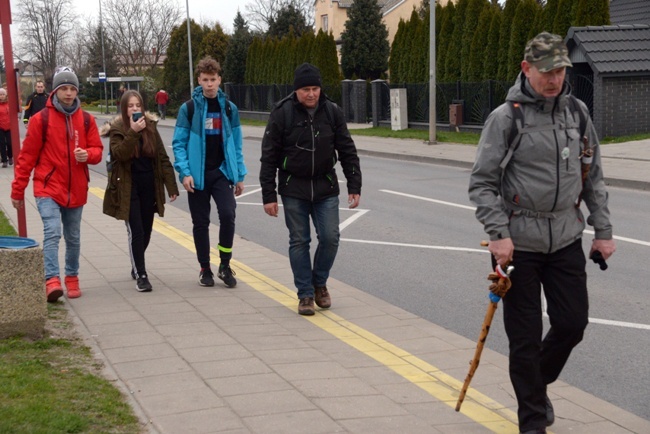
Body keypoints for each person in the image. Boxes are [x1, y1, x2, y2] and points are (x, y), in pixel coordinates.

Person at [468, 32, 616, 434]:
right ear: (526, 69)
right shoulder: (506, 118)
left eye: (560, 70)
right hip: (517, 246)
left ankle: (536, 384)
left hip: (566, 235)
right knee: (525, 337)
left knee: (572, 323)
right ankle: (532, 421)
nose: (554, 79)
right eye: (546, 71)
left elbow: (593, 175)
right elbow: (481, 182)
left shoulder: (578, 113)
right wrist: (498, 234)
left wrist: (603, 231)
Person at [259, 63, 362, 316]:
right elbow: (269, 156)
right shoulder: (282, 113)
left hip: (325, 186)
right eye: (306, 89)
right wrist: (268, 195)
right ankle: (305, 294)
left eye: (315, 88)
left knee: (330, 238)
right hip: (293, 188)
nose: (311, 94)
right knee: (299, 241)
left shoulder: (332, 112)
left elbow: (347, 150)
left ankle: (320, 283)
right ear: (296, 90)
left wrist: (354, 184)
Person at [11, 67, 104, 302]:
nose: (69, 93)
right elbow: (26, 158)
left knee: (73, 237)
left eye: (73, 88)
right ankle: (51, 280)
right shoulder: (41, 119)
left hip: (76, 189)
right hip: (48, 187)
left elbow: (98, 151)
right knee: (52, 232)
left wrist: (88, 155)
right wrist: (17, 190)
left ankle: (72, 277)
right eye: (65, 88)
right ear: (56, 90)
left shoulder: (86, 119)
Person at [172, 56, 247, 288]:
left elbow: (236, 144)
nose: (210, 84)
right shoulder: (190, 109)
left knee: (227, 214)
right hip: (197, 175)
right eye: (205, 80)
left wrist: (239, 175)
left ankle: (224, 265)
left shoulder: (228, 108)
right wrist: (184, 173)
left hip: (221, 173)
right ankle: (205, 268)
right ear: (199, 80)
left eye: (213, 79)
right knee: (200, 222)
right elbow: (179, 144)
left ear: (219, 79)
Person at [102, 90, 179, 292]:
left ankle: (137, 262)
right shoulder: (118, 129)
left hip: (148, 187)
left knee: (146, 232)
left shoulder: (151, 127)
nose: (135, 109)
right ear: (124, 108)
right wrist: (133, 132)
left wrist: (171, 186)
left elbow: (162, 157)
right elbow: (120, 154)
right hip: (128, 188)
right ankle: (141, 275)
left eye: (138, 105)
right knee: (136, 231)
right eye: (130, 106)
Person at [0, 88, 12, 168]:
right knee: (2, 144)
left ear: (6, 95)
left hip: (9, 127)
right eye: (0, 94)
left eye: (3, 94)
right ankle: (4, 160)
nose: (2, 96)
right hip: (0, 127)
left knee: (9, 143)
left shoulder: (10, 104)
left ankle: (10, 157)